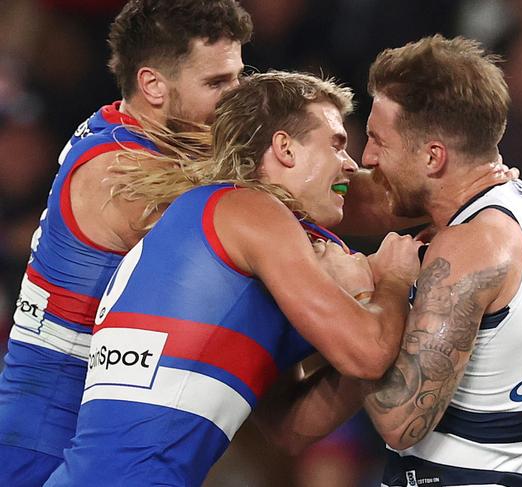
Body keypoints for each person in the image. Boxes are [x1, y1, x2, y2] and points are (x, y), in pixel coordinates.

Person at [44, 71, 421, 487]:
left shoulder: (235, 238)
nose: (350, 164)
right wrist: (392, 282)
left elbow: (291, 428)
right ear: (285, 148)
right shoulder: (248, 209)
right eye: (336, 144)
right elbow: (367, 352)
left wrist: (374, 308)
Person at [0, 1, 252, 484]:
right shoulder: (121, 171)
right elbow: (253, 212)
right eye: (217, 83)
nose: (237, 97)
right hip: (45, 436)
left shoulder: (137, 129)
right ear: (153, 84)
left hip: (90, 424)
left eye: (239, 76)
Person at [358, 35, 522, 486]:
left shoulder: (469, 246)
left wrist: (383, 285)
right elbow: (357, 199)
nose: (367, 157)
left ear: (433, 156)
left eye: (377, 140)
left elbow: (402, 421)